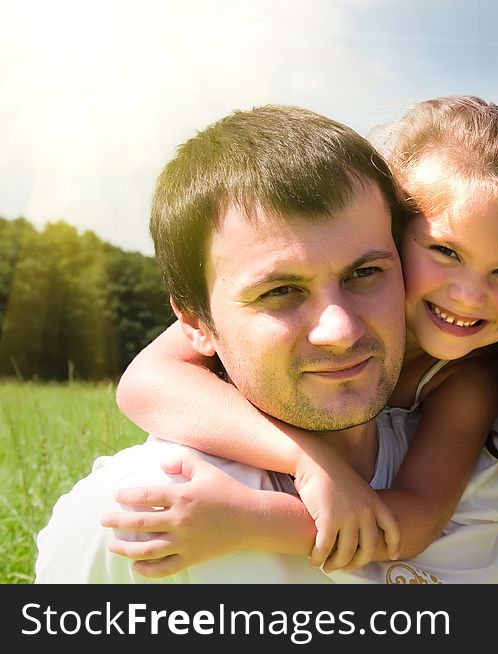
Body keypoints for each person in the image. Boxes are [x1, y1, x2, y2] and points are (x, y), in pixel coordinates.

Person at [98, 96, 498, 583]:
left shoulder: (467, 378)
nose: (468, 296)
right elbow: (146, 381)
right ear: (391, 230)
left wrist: (253, 520)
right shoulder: (330, 295)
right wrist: (306, 460)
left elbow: (414, 521)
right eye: (444, 251)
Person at [34, 104, 413, 583]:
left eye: (365, 273)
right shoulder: (141, 514)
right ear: (197, 323)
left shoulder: (465, 455)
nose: (340, 330)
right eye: (280, 291)